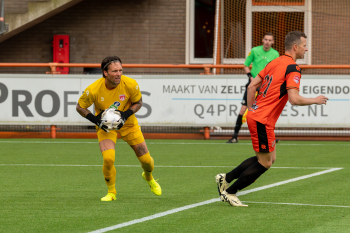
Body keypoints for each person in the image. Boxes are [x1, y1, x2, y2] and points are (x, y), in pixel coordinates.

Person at [216, 31, 329, 207]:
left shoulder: (274, 61)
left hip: (259, 116)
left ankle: (226, 178)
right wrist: (315, 100)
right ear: (295, 47)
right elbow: (294, 99)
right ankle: (230, 192)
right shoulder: (293, 67)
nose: (306, 49)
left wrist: (253, 109)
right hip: (263, 119)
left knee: (270, 158)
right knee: (265, 163)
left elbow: (252, 86)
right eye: (305, 46)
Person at [76, 56, 162, 201]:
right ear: (105, 73)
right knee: (108, 159)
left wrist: (125, 114)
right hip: (106, 127)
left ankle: (149, 177)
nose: (118, 74)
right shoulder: (93, 89)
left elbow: (138, 102)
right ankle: (111, 192)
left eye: (120, 70)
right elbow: (80, 107)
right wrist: (96, 120)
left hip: (128, 125)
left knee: (147, 161)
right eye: (114, 71)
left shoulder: (130, 84)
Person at [227, 32, 279, 143]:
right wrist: (250, 77)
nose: (267, 42)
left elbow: (276, 70)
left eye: (270, 40)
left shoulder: (275, 54)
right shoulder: (255, 51)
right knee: (243, 109)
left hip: (266, 86)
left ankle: (270, 137)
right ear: (262, 40)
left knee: (267, 111)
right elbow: (246, 66)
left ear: (273, 42)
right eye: (265, 39)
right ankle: (235, 136)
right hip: (253, 85)